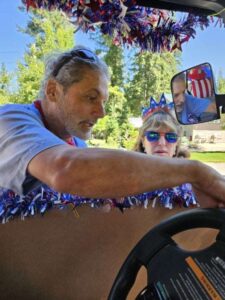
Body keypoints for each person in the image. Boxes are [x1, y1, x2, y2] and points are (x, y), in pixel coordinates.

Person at [0, 45, 225, 214]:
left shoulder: (76, 143)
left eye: (104, 101)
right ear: (52, 91)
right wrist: (196, 172)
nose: (102, 112)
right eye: (91, 97)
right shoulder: (11, 121)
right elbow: (65, 169)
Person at [131, 94, 195, 209]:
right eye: (152, 135)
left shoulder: (193, 183)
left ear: (176, 145)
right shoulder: (125, 179)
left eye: (170, 137)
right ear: (143, 142)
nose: (161, 143)